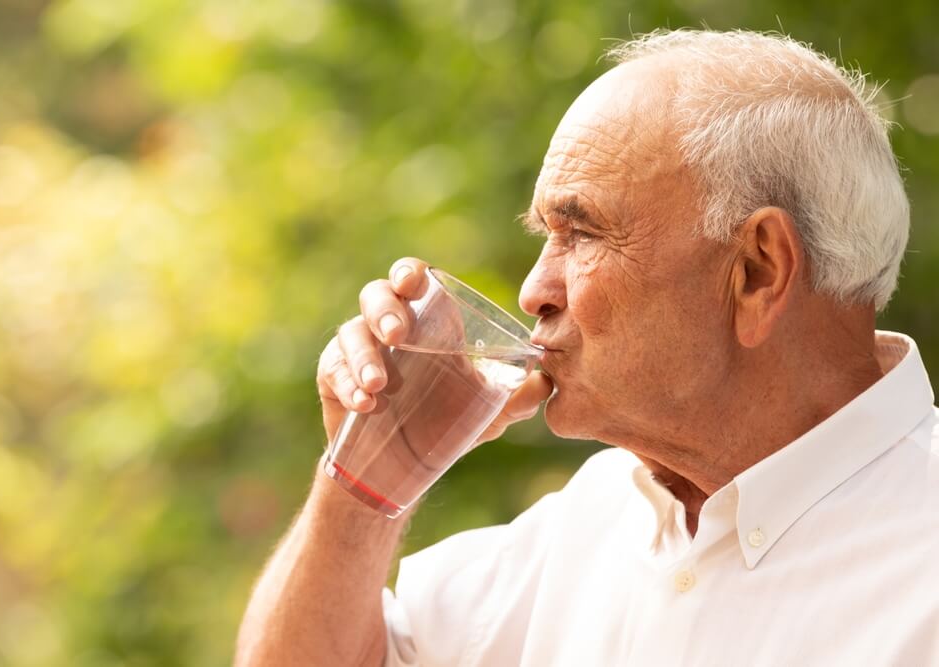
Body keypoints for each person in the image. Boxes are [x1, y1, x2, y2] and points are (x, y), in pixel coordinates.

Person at [234, 29, 939, 666]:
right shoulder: (586, 524)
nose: (534, 290)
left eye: (584, 234)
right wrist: (365, 482)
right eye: (545, 236)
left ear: (757, 271)